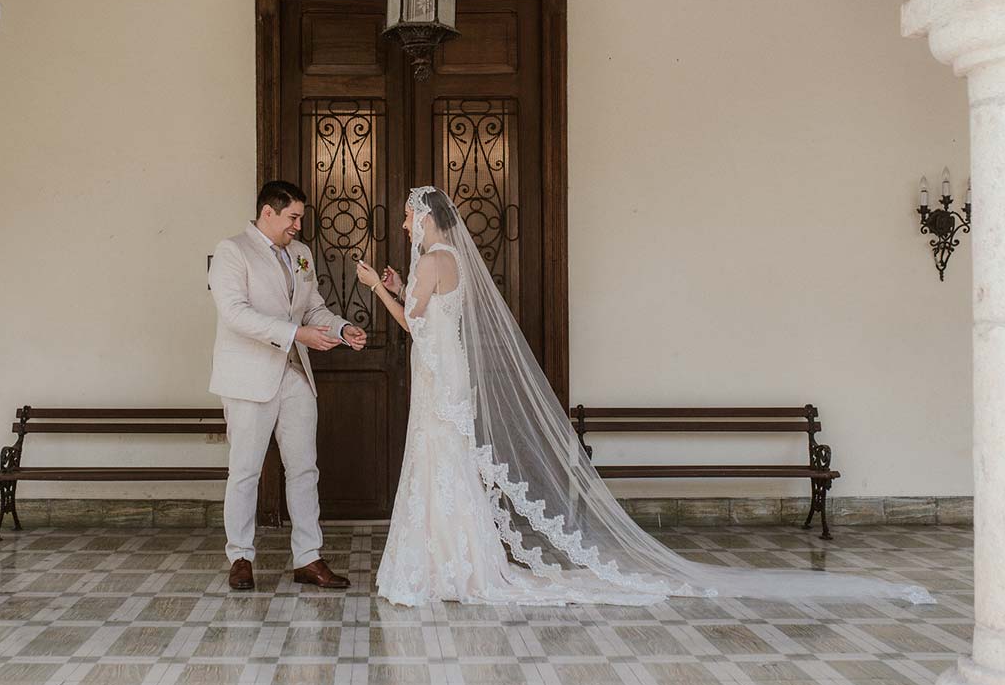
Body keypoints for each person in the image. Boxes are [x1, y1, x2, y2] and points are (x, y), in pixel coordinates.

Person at [357, 186, 933, 607]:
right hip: (451, 371)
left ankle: (441, 567)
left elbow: (413, 326)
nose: (405, 225)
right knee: (448, 462)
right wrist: (395, 286)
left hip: (440, 374)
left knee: (439, 460)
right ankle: (458, 564)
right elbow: (433, 316)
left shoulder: (431, 260)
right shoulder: (452, 260)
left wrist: (376, 291)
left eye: (408, 217)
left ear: (423, 216)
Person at [208, 180, 367, 591]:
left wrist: (342, 326)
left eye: (300, 217)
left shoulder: (301, 255)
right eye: (293, 217)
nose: (298, 225)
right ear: (267, 212)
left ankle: (308, 558)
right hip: (249, 378)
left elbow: (313, 307)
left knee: (304, 469)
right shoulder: (231, 252)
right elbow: (235, 315)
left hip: (296, 375)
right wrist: (297, 334)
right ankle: (240, 556)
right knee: (244, 471)